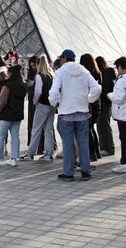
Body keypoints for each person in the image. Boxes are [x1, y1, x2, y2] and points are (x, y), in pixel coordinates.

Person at [49, 49, 102, 181]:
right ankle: (85, 171)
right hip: (82, 112)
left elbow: (54, 92)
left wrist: (55, 102)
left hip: (66, 112)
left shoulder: (60, 72)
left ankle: (68, 173)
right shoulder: (84, 71)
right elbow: (97, 88)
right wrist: (88, 99)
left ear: (64, 58)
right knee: (83, 142)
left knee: (67, 144)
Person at [0, 64, 28, 166]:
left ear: (11, 74)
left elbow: (2, 101)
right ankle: (14, 158)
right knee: (15, 136)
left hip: (6, 115)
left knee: (0, 137)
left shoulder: (7, 86)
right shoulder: (23, 85)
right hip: (17, 115)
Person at [23, 55, 55, 161]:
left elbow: (38, 91)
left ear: (38, 64)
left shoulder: (39, 76)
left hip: (42, 105)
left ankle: (30, 153)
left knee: (36, 129)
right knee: (48, 130)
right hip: (51, 105)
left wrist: (34, 101)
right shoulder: (51, 75)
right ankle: (49, 153)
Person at [80, 54, 103, 163]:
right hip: (97, 103)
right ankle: (96, 152)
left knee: (87, 130)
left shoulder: (85, 74)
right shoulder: (98, 73)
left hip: (88, 104)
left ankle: (92, 154)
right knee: (92, 129)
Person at [96, 56, 117, 157]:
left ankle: (106, 148)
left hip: (102, 101)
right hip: (108, 101)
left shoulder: (100, 74)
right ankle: (107, 147)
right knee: (105, 125)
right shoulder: (111, 72)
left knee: (102, 126)